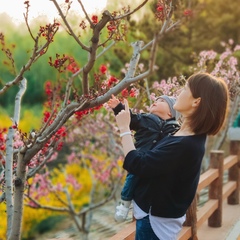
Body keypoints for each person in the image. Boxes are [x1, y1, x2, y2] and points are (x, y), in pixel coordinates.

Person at [114, 72, 229, 239]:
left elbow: (139, 164)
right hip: (156, 220)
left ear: (196, 102)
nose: (178, 93)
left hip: (154, 224)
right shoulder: (186, 136)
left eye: (185, 89)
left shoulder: (186, 144)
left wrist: (124, 128)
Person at [108, 94, 180, 222]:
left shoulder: (175, 128)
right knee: (132, 177)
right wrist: (118, 107)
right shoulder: (146, 118)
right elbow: (130, 119)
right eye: (156, 99)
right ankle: (125, 203)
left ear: (171, 112)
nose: (155, 102)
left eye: (162, 101)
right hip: (140, 156)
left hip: (157, 161)